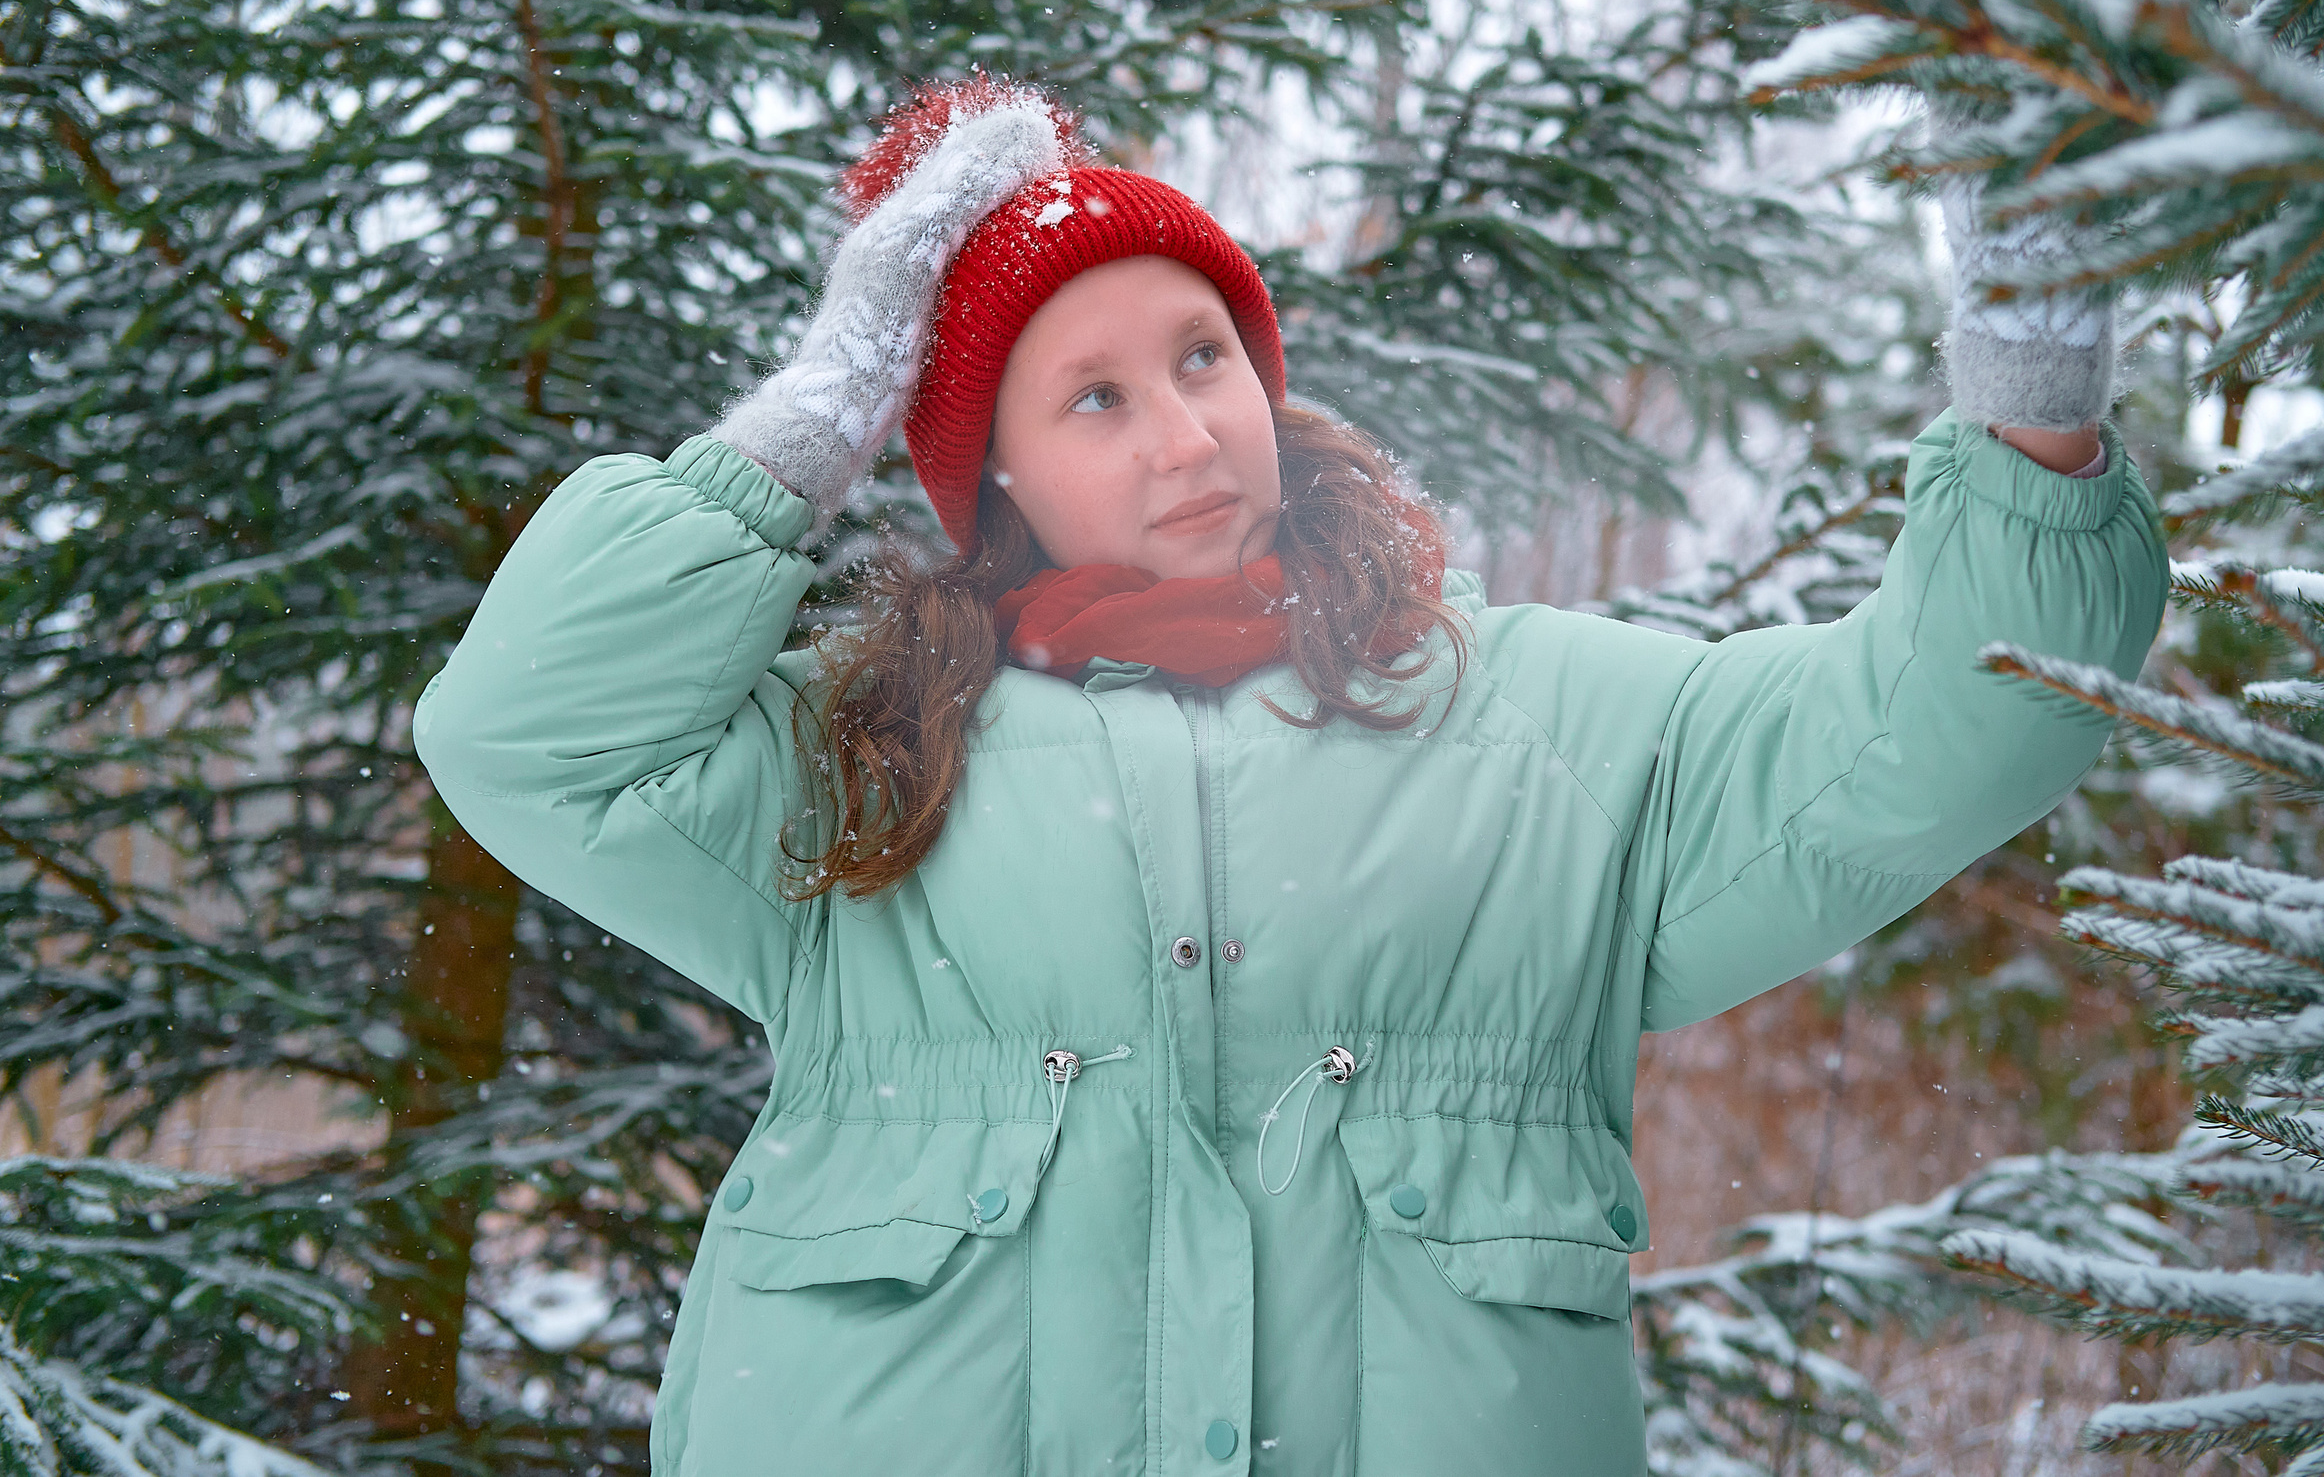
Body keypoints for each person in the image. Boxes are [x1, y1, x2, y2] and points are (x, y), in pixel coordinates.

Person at [416, 78, 2167, 1477]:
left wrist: (2031, 371)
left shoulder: (1545, 733)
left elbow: (1964, 714)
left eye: (1203, 357)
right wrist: (829, 396)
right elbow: (522, 733)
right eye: (1093, 400)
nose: (1187, 434)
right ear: (995, 478)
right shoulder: (860, 768)